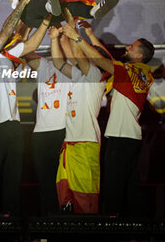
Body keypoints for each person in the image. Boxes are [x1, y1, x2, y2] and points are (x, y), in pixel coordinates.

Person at [0, 0, 52, 215]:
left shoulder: (6, 56)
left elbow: (31, 44)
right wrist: (23, 5)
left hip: (13, 126)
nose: (1, 36)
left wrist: (46, 20)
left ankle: (12, 223)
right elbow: (8, 30)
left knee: (14, 176)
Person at [62, 22, 155, 217]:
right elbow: (109, 60)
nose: (127, 47)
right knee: (130, 188)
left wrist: (77, 37)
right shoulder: (140, 72)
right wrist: (90, 34)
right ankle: (136, 231)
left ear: (139, 55)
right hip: (132, 138)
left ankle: (110, 230)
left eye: (132, 46)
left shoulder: (128, 71)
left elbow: (102, 60)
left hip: (120, 138)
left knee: (113, 187)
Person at [50, 11, 109, 214]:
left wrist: (72, 29)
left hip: (86, 143)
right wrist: (56, 38)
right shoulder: (76, 75)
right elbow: (59, 61)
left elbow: (76, 51)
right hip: (69, 144)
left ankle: (89, 233)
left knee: (86, 198)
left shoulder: (94, 74)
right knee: (66, 198)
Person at [22, 28, 74, 216]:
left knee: (62, 182)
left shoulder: (74, 69)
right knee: (45, 182)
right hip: (40, 133)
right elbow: (26, 52)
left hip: (62, 131)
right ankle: (47, 225)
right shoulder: (44, 66)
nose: (58, 43)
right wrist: (27, 30)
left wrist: (55, 39)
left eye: (61, 41)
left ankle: (64, 223)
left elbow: (60, 60)